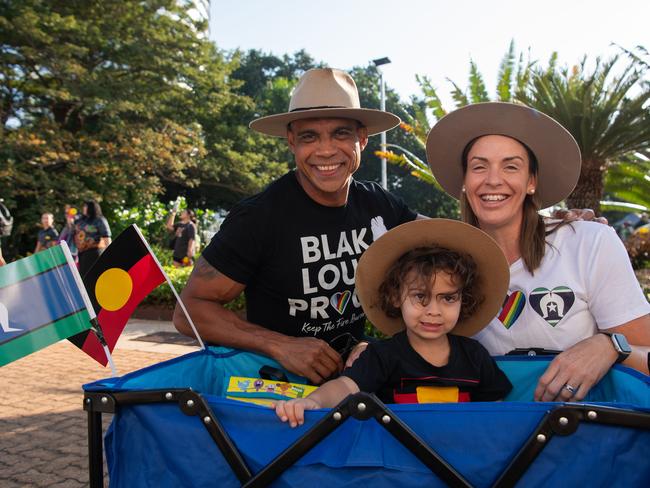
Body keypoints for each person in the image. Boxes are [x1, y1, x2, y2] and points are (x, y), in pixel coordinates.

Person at [174, 68, 420, 384]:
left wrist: (368, 346)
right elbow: (188, 310)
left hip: (349, 388)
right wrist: (280, 345)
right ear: (291, 141)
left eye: (341, 133)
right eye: (309, 136)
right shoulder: (259, 217)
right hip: (274, 390)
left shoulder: (380, 205)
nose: (326, 150)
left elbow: (445, 246)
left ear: (362, 138)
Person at [426, 102, 650, 402]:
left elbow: (645, 359)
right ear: (465, 182)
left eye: (511, 166)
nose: (493, 179)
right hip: (485, 437)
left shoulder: (589, 243)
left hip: (585, 436)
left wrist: (609, 347)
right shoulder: (441, 265)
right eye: (479, 166)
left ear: (531, 181)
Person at [274, 219, 513, 427]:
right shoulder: (382, 356)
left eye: (448, 298)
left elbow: (497, 412)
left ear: (464, 300)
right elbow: (346, 387)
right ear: (396, 297)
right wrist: (314, 401)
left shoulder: (475, 356)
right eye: (420, 297)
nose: (434, 311)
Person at [74, 200, 111, 276]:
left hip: (95, 252)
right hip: (82, 253)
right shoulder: (81, 220)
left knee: (93, 276)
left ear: (91, 208)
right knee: (83, 277)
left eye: (85, 206)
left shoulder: (99, 220)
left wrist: (110, 252)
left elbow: (106, 236)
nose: (83, 208)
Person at [166, 203, 197, 267]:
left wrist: (190, 252)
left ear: (188, 215)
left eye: (183, 212)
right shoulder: (180, 224)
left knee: (185, 272)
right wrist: (173, 213)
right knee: (175, 271)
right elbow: (169, 227)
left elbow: (192, 239)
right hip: (177, 254)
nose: (181, 213)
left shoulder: (191, 225)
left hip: (185, 254)